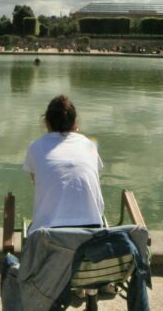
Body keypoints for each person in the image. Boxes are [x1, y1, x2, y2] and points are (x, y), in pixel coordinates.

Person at [23, 95, 104, 234]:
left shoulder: (36, 147)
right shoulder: (89, 145)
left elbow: (37, 182)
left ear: (46, 122)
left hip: (48, 237)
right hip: (92, 236)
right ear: (75, 123)